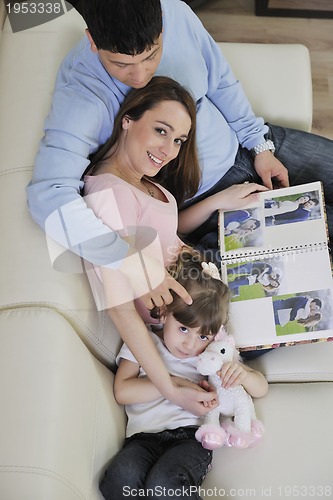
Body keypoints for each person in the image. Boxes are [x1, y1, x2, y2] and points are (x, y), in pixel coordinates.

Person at [99, 250, 268, 500]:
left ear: (215, 335)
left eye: (202, 336)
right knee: (119, 480)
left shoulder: (213, 355)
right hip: (142, 438)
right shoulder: (143, 341)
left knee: (164, 484)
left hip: (191, 437)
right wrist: (172, 384)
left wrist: (242, 373)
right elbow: (123, 391)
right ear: (165, 312)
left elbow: (261, 388)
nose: (189, 344)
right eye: (183, 329)